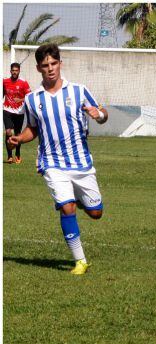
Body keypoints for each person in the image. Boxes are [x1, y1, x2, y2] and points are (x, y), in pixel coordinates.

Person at [9, 43, 109, 275]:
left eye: (54, 63)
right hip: (51, 163)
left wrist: (99, 115)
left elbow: (101, 114)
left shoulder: (79, 91)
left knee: (96, 213)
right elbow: (32, 129)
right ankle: (80, 261)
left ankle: (80, 199)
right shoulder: (32, 99)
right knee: (67, 208)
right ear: (38, 69)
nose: (50, 69)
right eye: (45, 65)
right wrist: (20, 140)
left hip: (81, 162)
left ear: (60, 64)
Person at [3, 62, 31, 164]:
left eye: (16, 70)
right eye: (13, 70)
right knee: (8, 132)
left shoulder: (24, 83)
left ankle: (18, 154)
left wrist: (20, 99)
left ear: (19, 71)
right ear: (10, 71)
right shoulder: (4, 81)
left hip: (19, 112)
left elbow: (29, 96)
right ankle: (10, 156)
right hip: (7, 110)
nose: (14, 72)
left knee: (18, 133)